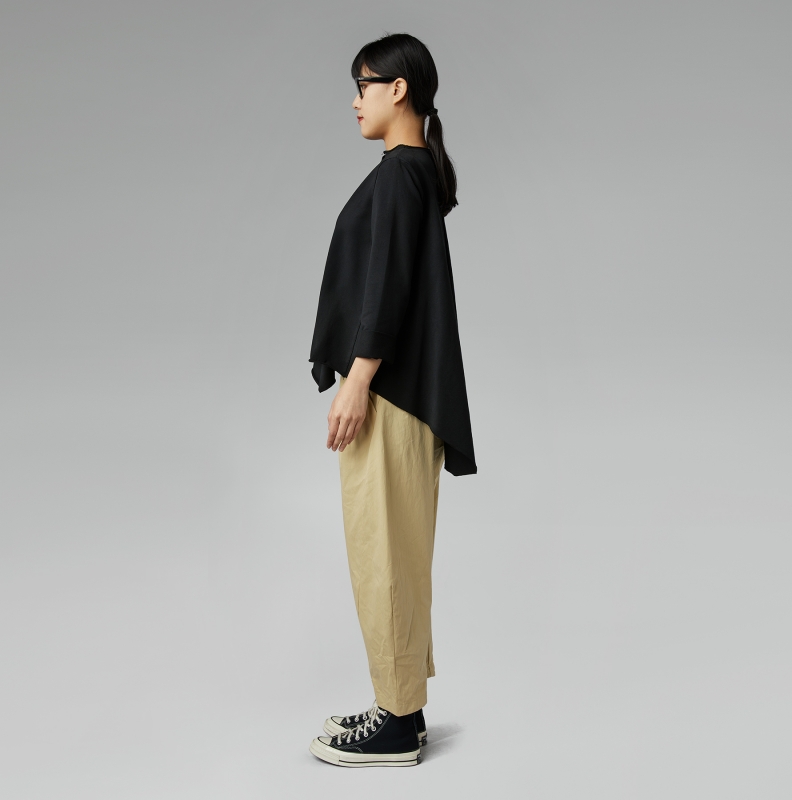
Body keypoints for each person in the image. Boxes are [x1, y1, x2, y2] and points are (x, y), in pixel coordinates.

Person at [307, 32, 477, 768]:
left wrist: (357, 380)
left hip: (391, 395)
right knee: (391, 551)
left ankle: (398, 724)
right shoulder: (409, 173)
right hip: (399, 394)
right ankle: (399, 703)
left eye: (364, 85)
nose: (356, 101)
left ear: (398, 88)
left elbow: (387, 288)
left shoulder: (403, 175)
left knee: (384, 553)